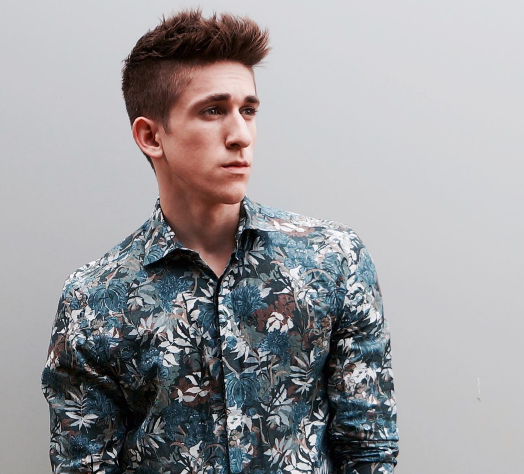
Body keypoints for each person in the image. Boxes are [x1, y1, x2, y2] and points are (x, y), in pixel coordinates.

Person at [41, 7, 399, 474]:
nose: (240, 135)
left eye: (248, 110)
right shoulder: (94, 301)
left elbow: (368, 450)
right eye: (213, 111)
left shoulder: (334, 261)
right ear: (151, 136)